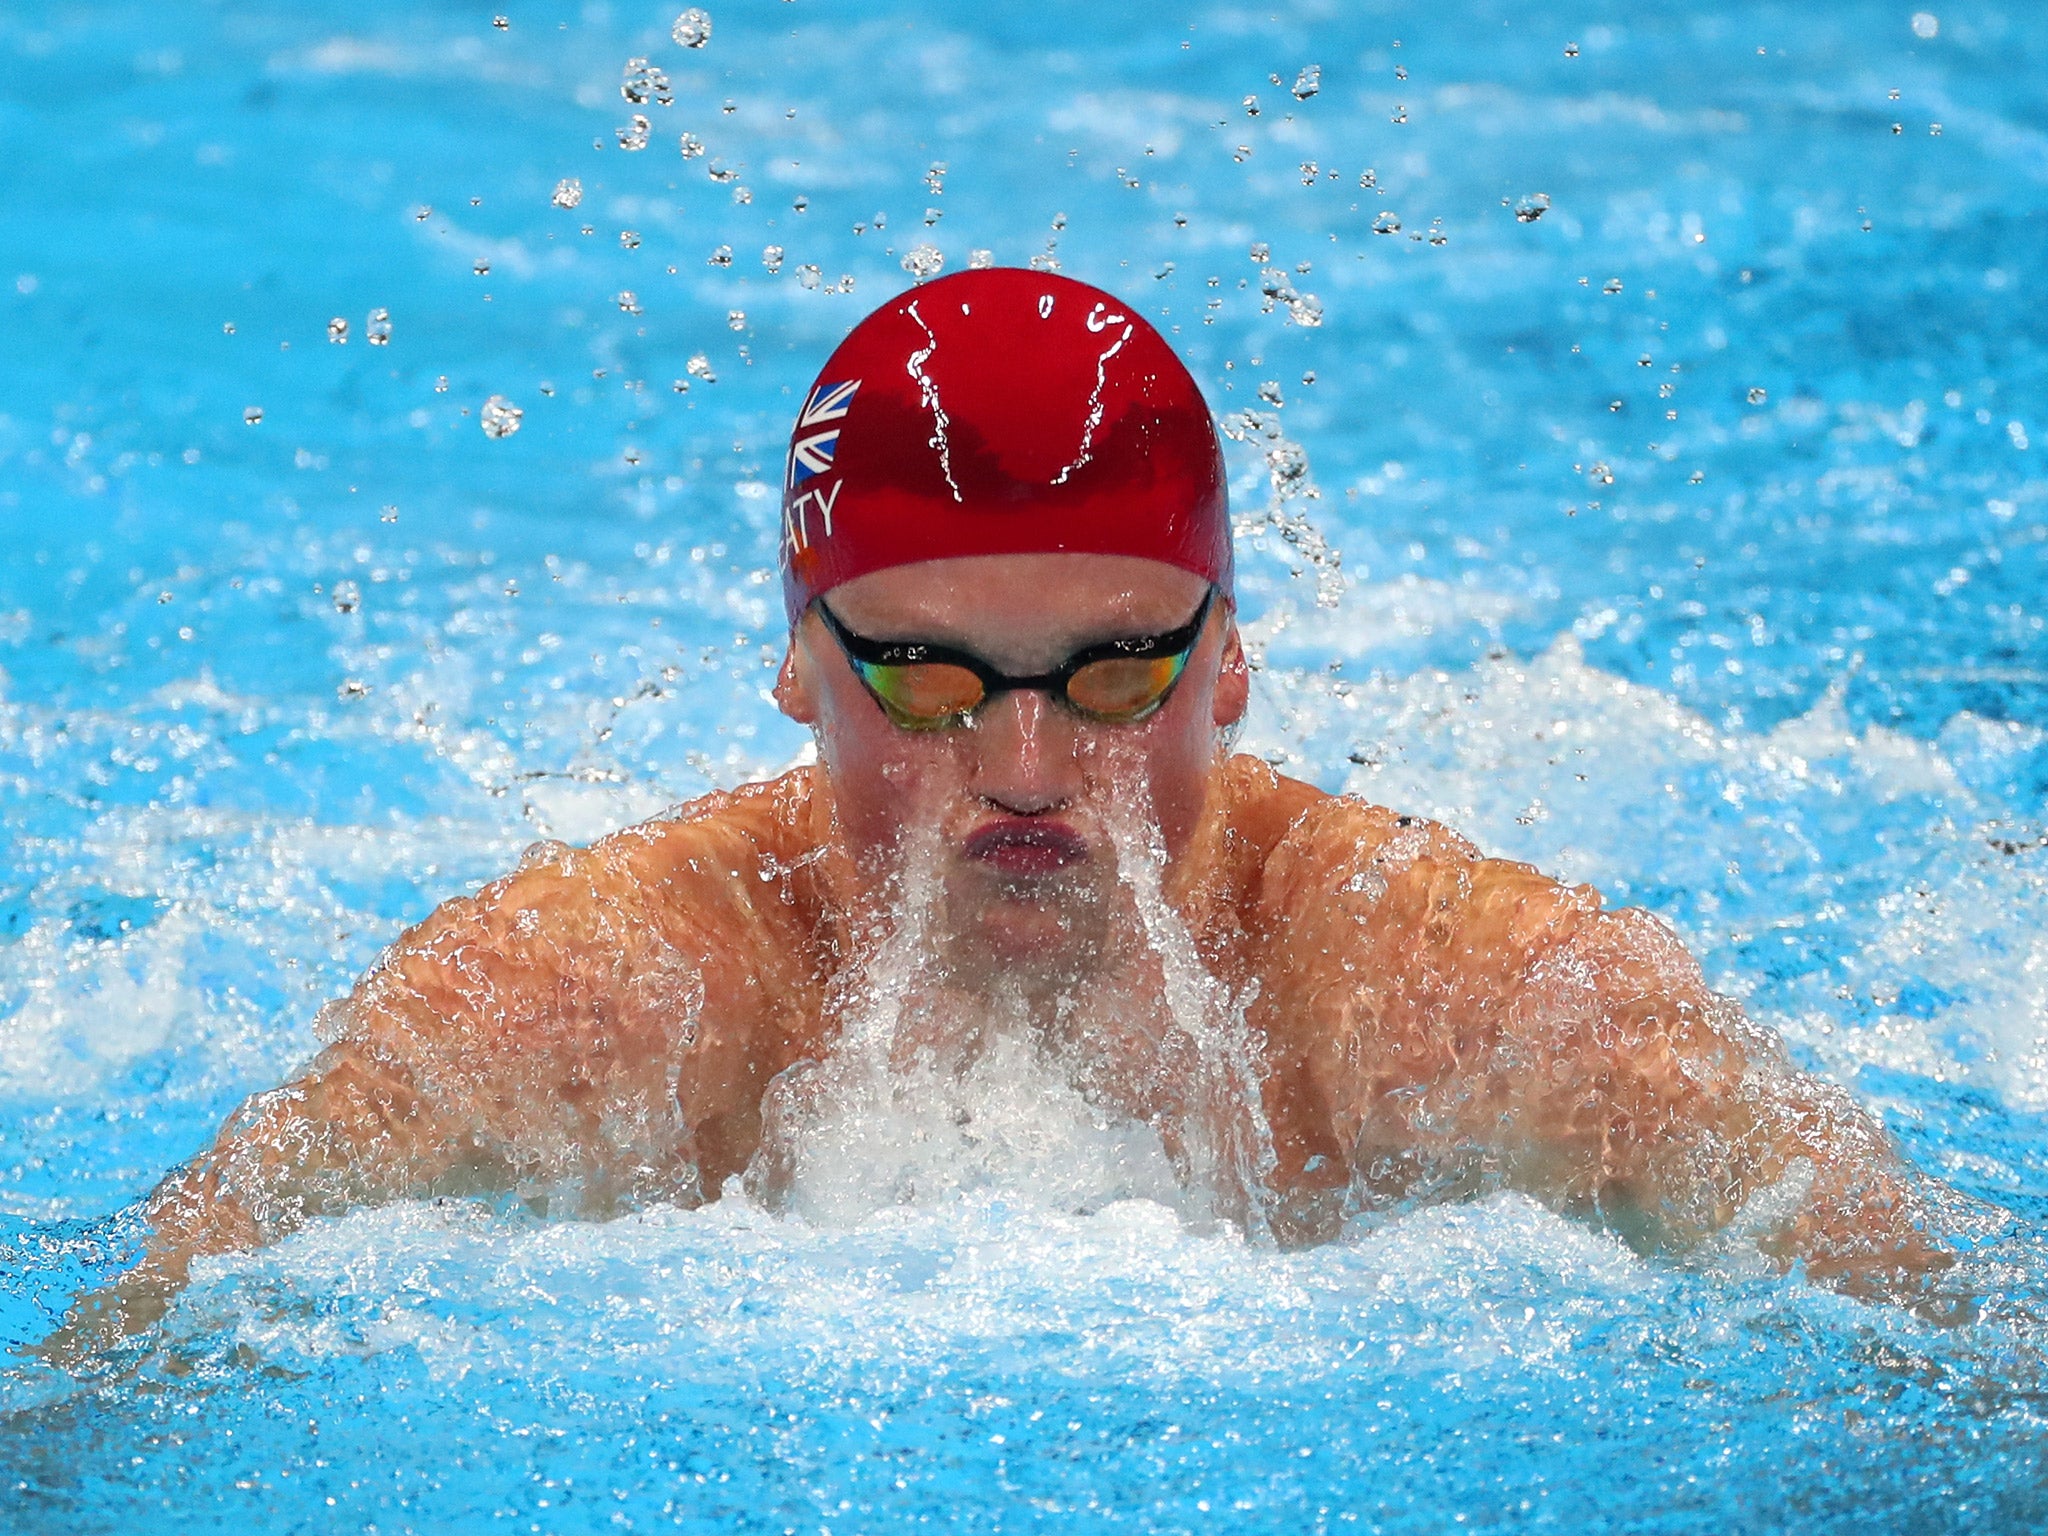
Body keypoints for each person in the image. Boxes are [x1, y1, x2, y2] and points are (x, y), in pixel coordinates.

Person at [45, 268, 1951, 1362]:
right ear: (797, 659)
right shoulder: (589, 1005)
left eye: (1120, 671)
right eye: (928, 681)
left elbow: (1954, 1354)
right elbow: (108, 1371)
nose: (1030, 772)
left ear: (1233, 660)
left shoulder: (1458, 1003)